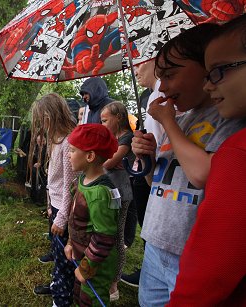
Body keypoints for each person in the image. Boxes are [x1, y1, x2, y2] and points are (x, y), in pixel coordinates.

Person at [131, 23, 246, 306]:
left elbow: (203, 174)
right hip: (156, 245)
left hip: (191, 255)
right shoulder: (181, 122)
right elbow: (156, 182)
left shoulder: (231, 120)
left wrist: (168, 123)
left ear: (204, 68)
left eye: (170, 75)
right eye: (160, 78)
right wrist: (149, 158)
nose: (164, 87)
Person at [169, 14, 246, 306]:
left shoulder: (238, 151)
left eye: (217, 71)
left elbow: (205, 281)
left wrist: (167, 124)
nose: (208, 86)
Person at [29, 93, 77, 306]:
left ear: (51, 115)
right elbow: (53, 180)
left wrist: (62, 218)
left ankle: (62, 298)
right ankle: (57, 285)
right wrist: (50, 206)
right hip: (55, 207)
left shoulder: (68, 142)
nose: (40, 123)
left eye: (42, 118)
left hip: (64, 211)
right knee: (57, 255)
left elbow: (70, 185)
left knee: (66, 260)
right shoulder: (56, 141)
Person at [121, 58, 165, 287]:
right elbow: (153, 177)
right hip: (150, 179)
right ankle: (149, 268)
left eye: (140, 63)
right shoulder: (147, 98)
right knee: (146, 225)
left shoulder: (162, 100)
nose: (135, 70)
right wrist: (145, 153)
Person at [64, 123, 119, 306]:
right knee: (79, 296)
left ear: (90, 156)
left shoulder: (100, 193)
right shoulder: (81, 180)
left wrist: (87, 267)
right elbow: (75, 218)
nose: (68, 154)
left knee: (91, 299)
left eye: (72, 150)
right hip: (81, 257)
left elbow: (104, 237)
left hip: (96, 266)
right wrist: (71, 242)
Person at [100, 102, 135, 301]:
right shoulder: (113, 138)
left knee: (117, 237)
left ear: (119, 117)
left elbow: (110, 162)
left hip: (121, 193)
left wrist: (92, 161)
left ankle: (114, 283)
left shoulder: (127, 138)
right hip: (108, 192)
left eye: (105, 120)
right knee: (106, 234)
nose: (103, 124)